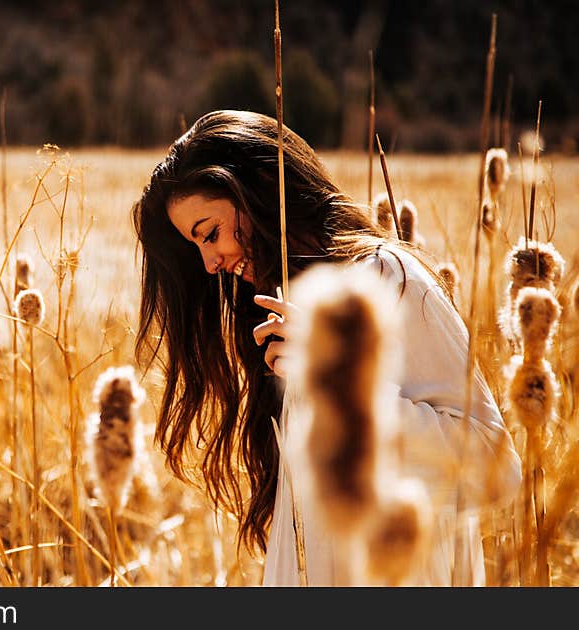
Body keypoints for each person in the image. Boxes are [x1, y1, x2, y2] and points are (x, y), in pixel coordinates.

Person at [131, 109, 521, 586]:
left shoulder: (387, 279)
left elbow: (496, 467)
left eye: (210, 233)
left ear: (258, 192)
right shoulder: (287, 319)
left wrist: (339, 383)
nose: (210, 264)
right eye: (197, 248)